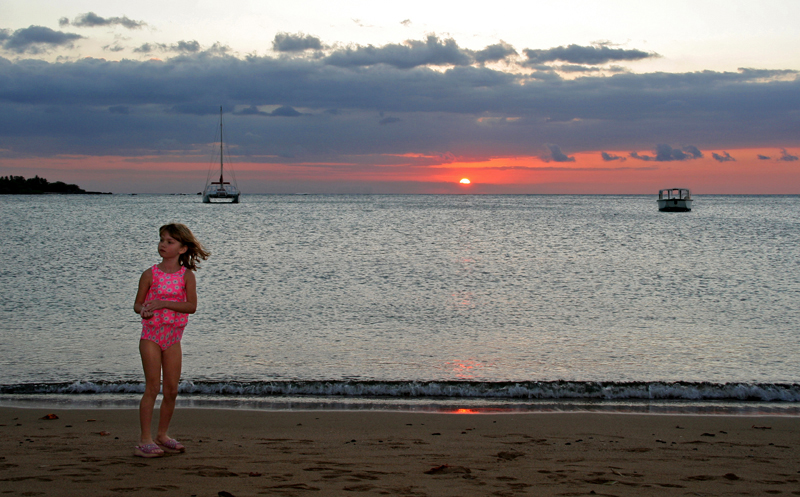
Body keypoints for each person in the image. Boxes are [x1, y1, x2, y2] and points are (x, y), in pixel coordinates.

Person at [133, 223, 209, 458]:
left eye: (169, 242)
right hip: (151, 336)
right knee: (152, 388)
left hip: (173, 338)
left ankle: (162, 435)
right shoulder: (150, 274)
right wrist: (143, 310)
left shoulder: (187, 276)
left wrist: (163, 303)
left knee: (172, 390)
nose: (163, 245)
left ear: (183, 249)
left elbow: (191, 307)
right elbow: (137, 304)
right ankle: (144, 440)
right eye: (161, 240)